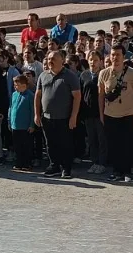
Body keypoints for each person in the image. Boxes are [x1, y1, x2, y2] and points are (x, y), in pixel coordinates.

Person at [33, 47, 81, 178]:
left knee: (65, 144)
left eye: (53, 59)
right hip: (47, 117)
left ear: (62, 60)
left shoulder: (70, 76)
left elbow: (77, 96)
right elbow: (38, 95)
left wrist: (74, 116)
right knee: (50, 143)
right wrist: (37, 114)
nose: (50, 61)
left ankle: (66, 168)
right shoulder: (43, 75)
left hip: (64, 118)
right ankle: (54, 166)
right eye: (48, 59)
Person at [98, 46, 133, 183]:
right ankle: (116, 171)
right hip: (110, 114)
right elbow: (100, 95)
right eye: (113, 55)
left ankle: (127, 171)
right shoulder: (104, 73)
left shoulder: (132, 74)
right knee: (113, 145)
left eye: (118, 55)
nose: (115, 58)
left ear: (124, 57)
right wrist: (101, 114)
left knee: (127, 144)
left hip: (127, 114)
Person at [8, 73, 36, 170]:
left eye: (17, 85)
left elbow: (33, 111)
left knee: (26, 146)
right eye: (14, 85)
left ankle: (27, 163)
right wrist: (9, 121)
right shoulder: (14, 94)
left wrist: (32, 125)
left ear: (24, 85)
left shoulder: (30, 95)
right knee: (17, 145)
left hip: (26, 126)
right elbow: (11, 108)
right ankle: (19, 162)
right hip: (15, 125)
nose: (15, 87)